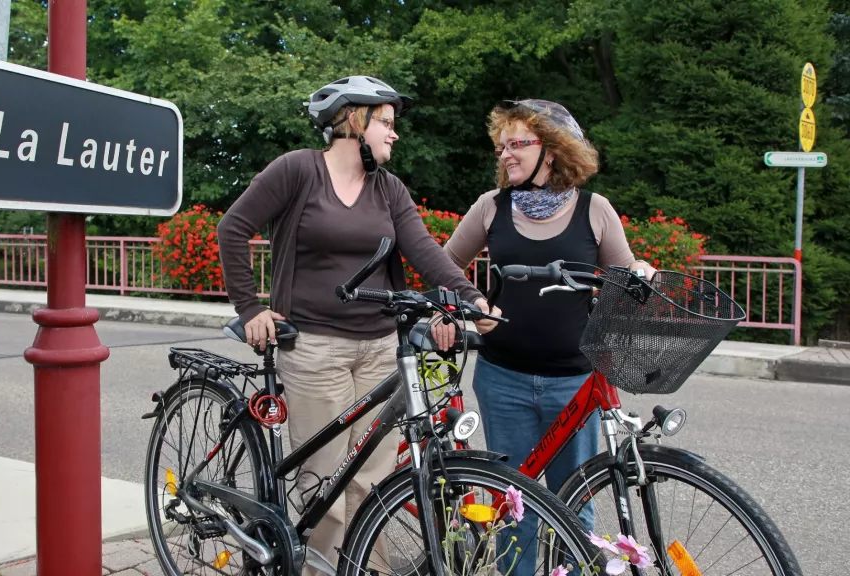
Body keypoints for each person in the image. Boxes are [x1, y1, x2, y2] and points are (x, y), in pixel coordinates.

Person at [217, 75, 500, 575]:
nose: (395, 134)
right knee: (322, 482)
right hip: (313, 345)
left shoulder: (388, 189)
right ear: (353, 121)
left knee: (369, 480)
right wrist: (250, 307)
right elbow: (233, 228)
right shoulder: (297, 171)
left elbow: (425, 252)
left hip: (377, 346)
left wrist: (471, 298)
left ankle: (368, 567)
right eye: (386, 123)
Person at [432, 99, 656, 573]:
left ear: (551, 151)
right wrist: (468, 305)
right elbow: (444, 267)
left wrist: (640, 271)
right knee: (515, 512)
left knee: (577, 511)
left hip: (574, 382)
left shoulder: (596, 210)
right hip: (502, 379)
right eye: (501, 145)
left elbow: (623, 275)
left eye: (517, 144)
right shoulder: (491, 207)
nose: (505, 154)